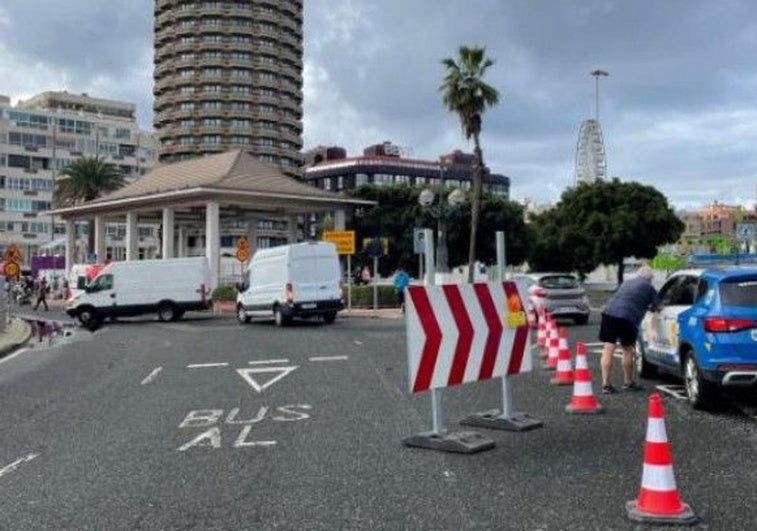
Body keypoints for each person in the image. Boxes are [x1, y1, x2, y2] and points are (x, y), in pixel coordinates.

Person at [598, 265, 660, 394]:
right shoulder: (649, 288)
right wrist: (653, 307)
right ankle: (628, 382)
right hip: (627, 317)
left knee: (608, 348)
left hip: (608, 313)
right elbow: (658, 306)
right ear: (649, 278)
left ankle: (605, 384)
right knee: (627, 349)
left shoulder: (627, 282)